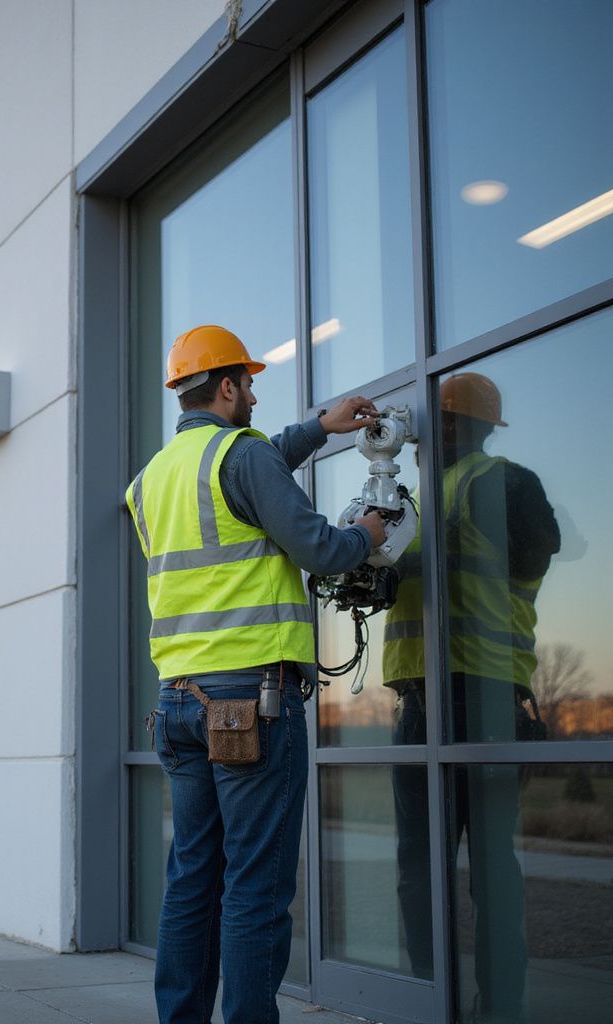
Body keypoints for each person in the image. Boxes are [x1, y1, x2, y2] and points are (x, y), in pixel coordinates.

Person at [126, 324, 387, 1024]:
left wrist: (315, 430)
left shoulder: (152, 478)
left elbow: (250, 472)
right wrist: (370, 532)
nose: (255, 396)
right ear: (229, 386)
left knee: (192, 879)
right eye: (250, 384)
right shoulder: (240, 455)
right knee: (254, 887)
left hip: (176, 702)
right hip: (249, 701)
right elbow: (320, 549)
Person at [383, 372, 560, 1023]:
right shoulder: (415, 505)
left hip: (479, 696)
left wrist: (428, 553)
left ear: (474, 428)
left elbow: (537, 548)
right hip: (418, 703)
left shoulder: (501, 482)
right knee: (417, 869)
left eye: (444, 422)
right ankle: (430, 997)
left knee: (488, 870)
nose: (429, 437)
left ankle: (499, 1009)